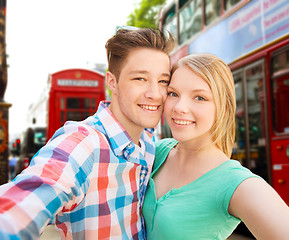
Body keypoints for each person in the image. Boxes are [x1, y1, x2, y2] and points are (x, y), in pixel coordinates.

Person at [0, 27, 174, 239]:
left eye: (163, 81)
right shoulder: (83, 143)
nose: (155, 94)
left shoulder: (148, 145)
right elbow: (23, 203)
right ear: (112, 82)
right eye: (140, 79)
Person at [142, 54, 289, 240]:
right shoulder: (156, 151)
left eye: (200, 98)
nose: (180, 107)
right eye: (173, 93)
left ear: (224, 108)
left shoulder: (236, 183)